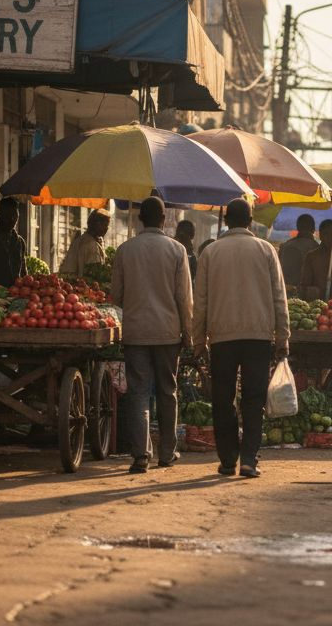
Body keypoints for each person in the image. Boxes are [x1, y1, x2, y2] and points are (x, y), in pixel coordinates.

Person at [193, 199, 289, 479]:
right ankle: (248, 460)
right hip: (258, 337)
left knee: (222, 400)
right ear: (250, 221)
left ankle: (227, 460)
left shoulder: (211, 252)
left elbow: (201, 302)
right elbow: (279, 299)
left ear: (226, 222)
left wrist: (198, 339)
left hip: (221, 337)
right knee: (253, 400)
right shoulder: (266, 250)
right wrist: (283, 336)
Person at [111, 198, 194, 474]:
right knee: (168, 392)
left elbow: (116, 296)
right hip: (168, 333)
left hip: (135, 333)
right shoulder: (177, 250)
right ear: (163, 219)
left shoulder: (125, 250)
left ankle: (140, 456)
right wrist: (189, 335)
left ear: (140, 220)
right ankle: (167, 453)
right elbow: (184, 299)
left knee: (138, 394)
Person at [59, 208, 110, 279]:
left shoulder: (82, 239)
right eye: (105, 225)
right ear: (96, 224)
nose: (107, 228)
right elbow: (94, 273)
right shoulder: (91, 244)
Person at [278, 213, 320, 293]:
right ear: (313, 229)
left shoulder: (284, 246)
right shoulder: (317, 248)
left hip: (283, 291)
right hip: (307, 294)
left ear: (297, 228)